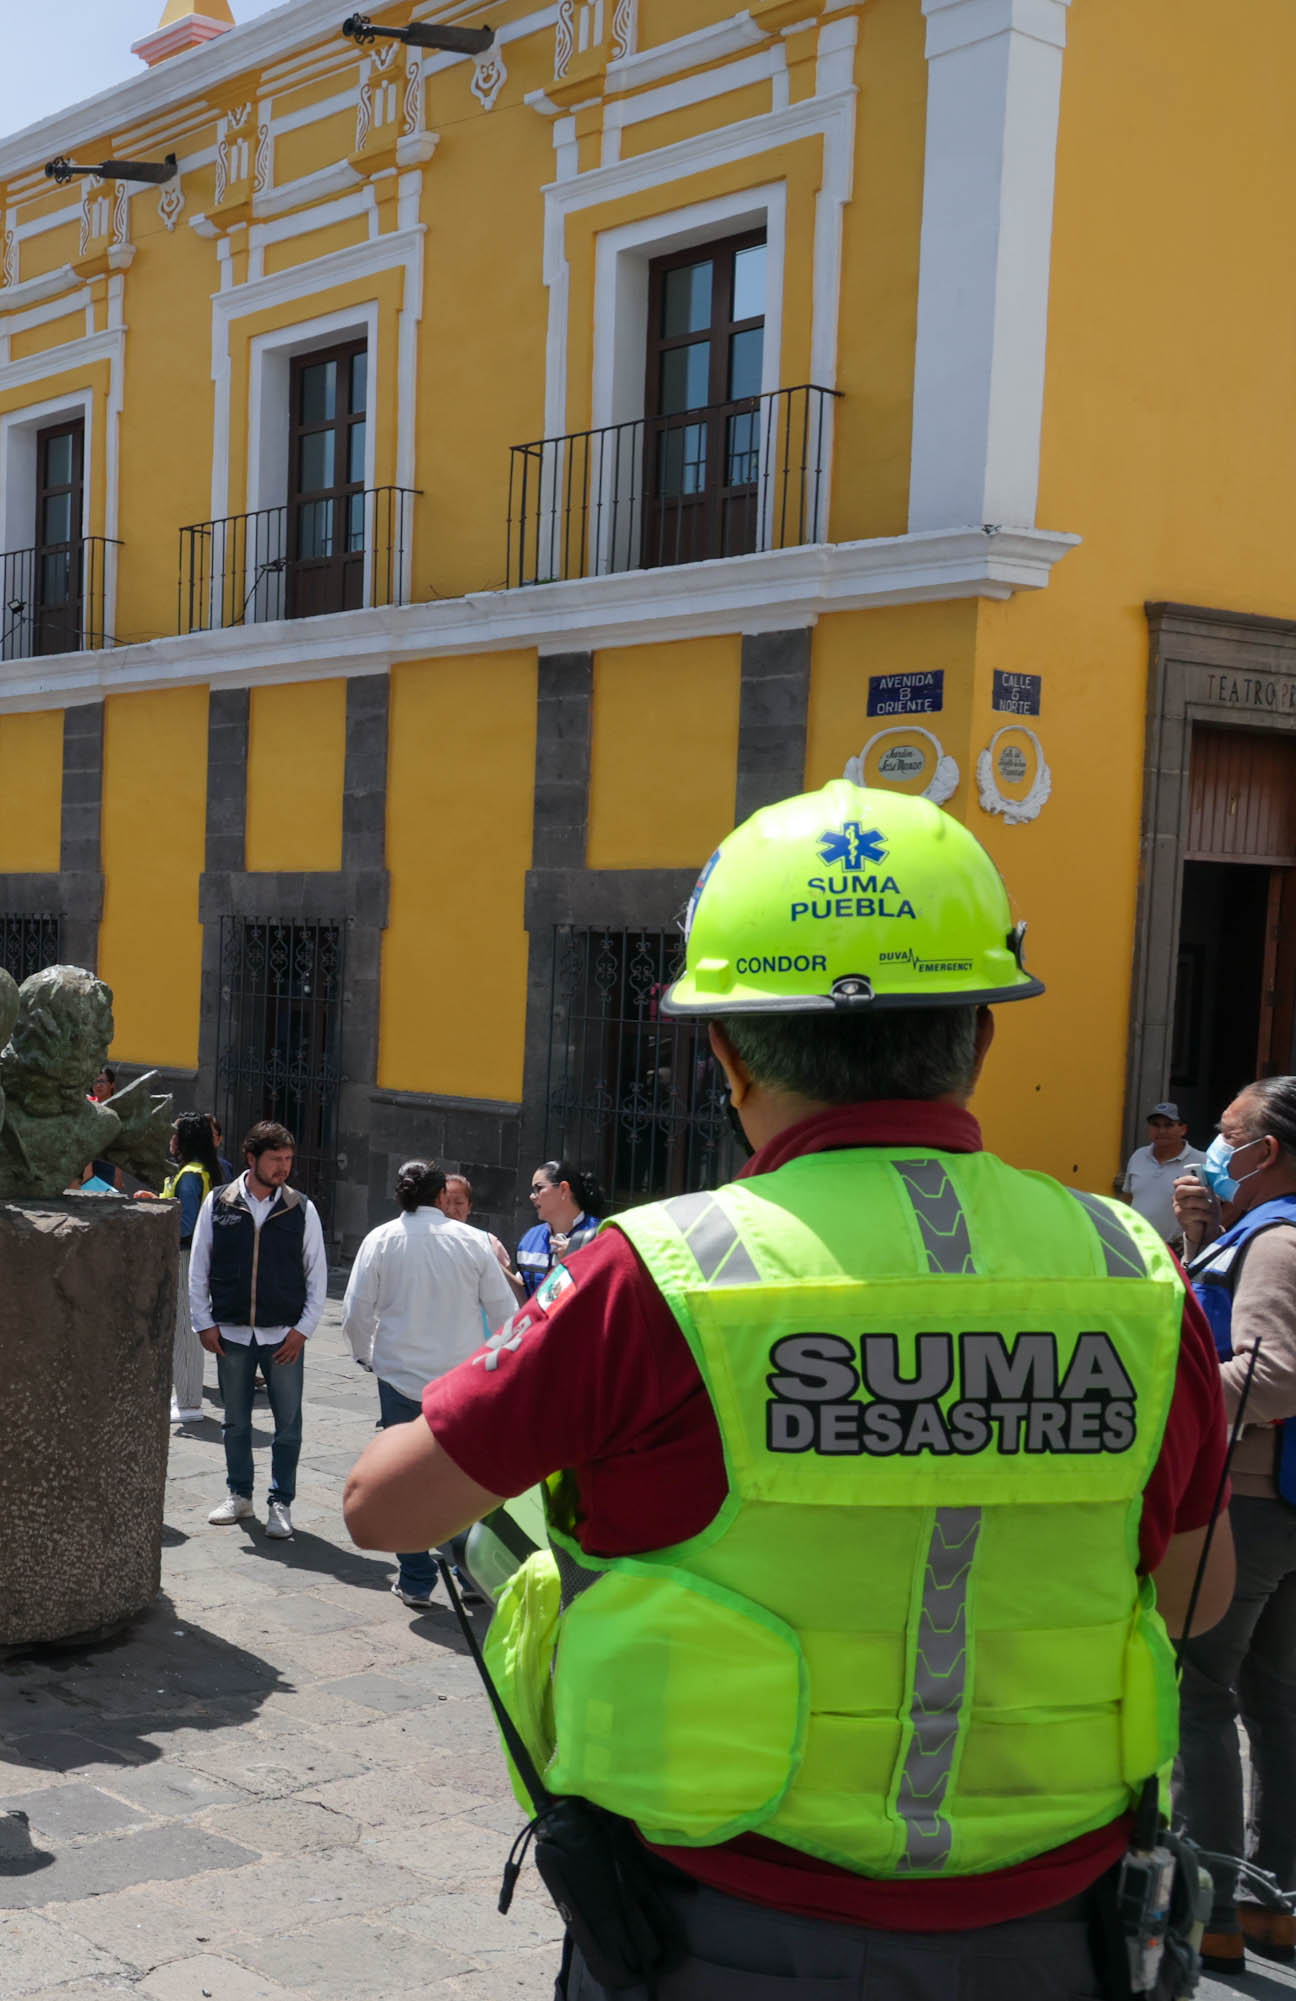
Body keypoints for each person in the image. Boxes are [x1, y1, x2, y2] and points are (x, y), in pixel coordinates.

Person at [340, 780, 1231, 1998]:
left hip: (724, 1927)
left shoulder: (660, 1274)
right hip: (1059, 1927)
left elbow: (382, 1510)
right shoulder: (1133, 1270)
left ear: (724, 1048)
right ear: (980, 1030)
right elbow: (1199, 1587)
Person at [1170, 1076, 1296, 1970]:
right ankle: (1270, 1904)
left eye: (1227, 1133)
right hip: (1278, 1503)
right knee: (1275, 1701)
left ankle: (1206, 1905)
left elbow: (1273, 1369)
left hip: (1246, 1501)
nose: (1214, 1148)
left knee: (1201, 1696)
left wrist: (1174, 1391)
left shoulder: (1281, 1240)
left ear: (1270, 1150)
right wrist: (1201, 1245)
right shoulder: (1263, 1235)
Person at [336, 1160, 519, 1606]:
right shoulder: (473, 1242)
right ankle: (470, 1570)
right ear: (441, 1196)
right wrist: (499, 1364)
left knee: (403, 1477)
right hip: (462, 1379)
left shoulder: (380, 1239)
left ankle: (416, 1579)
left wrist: (365, 1355)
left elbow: (356, 1310)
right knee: (468, 1474)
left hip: (399, 1376)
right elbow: (503, 1314)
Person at [186, 1119, 326, 1539]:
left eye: (288, 1159)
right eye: (275, 1159)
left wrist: (302, 1330)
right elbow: (199, 1267)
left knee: (288, 1425)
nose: (284, 1168)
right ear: (252, 1158)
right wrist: (203, 1322)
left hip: (283, 1334)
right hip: (230, 1332)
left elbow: (317, 1276)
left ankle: (280, 1502)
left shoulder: (302, 1208)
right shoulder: (219, 1203)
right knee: (235, 1422)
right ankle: (239, 1494)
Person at [161, 1113, 226, 1425]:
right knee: (189, 1324)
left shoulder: (190, 1174)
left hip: (185, 1254)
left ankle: (187, 1402)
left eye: (175, 1135)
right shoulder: (204, 1171)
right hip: (197, 1254)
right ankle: (186, 1397)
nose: (171, 1141)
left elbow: (184, 1222)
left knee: (186, 1329)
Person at [513, 1158, 605, 1303]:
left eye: (539, 1188)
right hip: (539, 1325)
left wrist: (577, 1261)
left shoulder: (602, 1236)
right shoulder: (529, 1240)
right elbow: (525, 1296)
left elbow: (610, 1291)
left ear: (563, 1189)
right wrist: (491, 1260)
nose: (532, 1196)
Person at [1124, 1101, 1207, 1248]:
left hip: (1178, 1249)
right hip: (1136, 1245)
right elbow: (1128, 1198)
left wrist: (1202, 1237)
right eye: (1156, 1125)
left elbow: (1228, 1205)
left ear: (1183, 1129)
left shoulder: (1201, 1161)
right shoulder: (1138, 1156)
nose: (1161, 1131)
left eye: (1169, 1125)